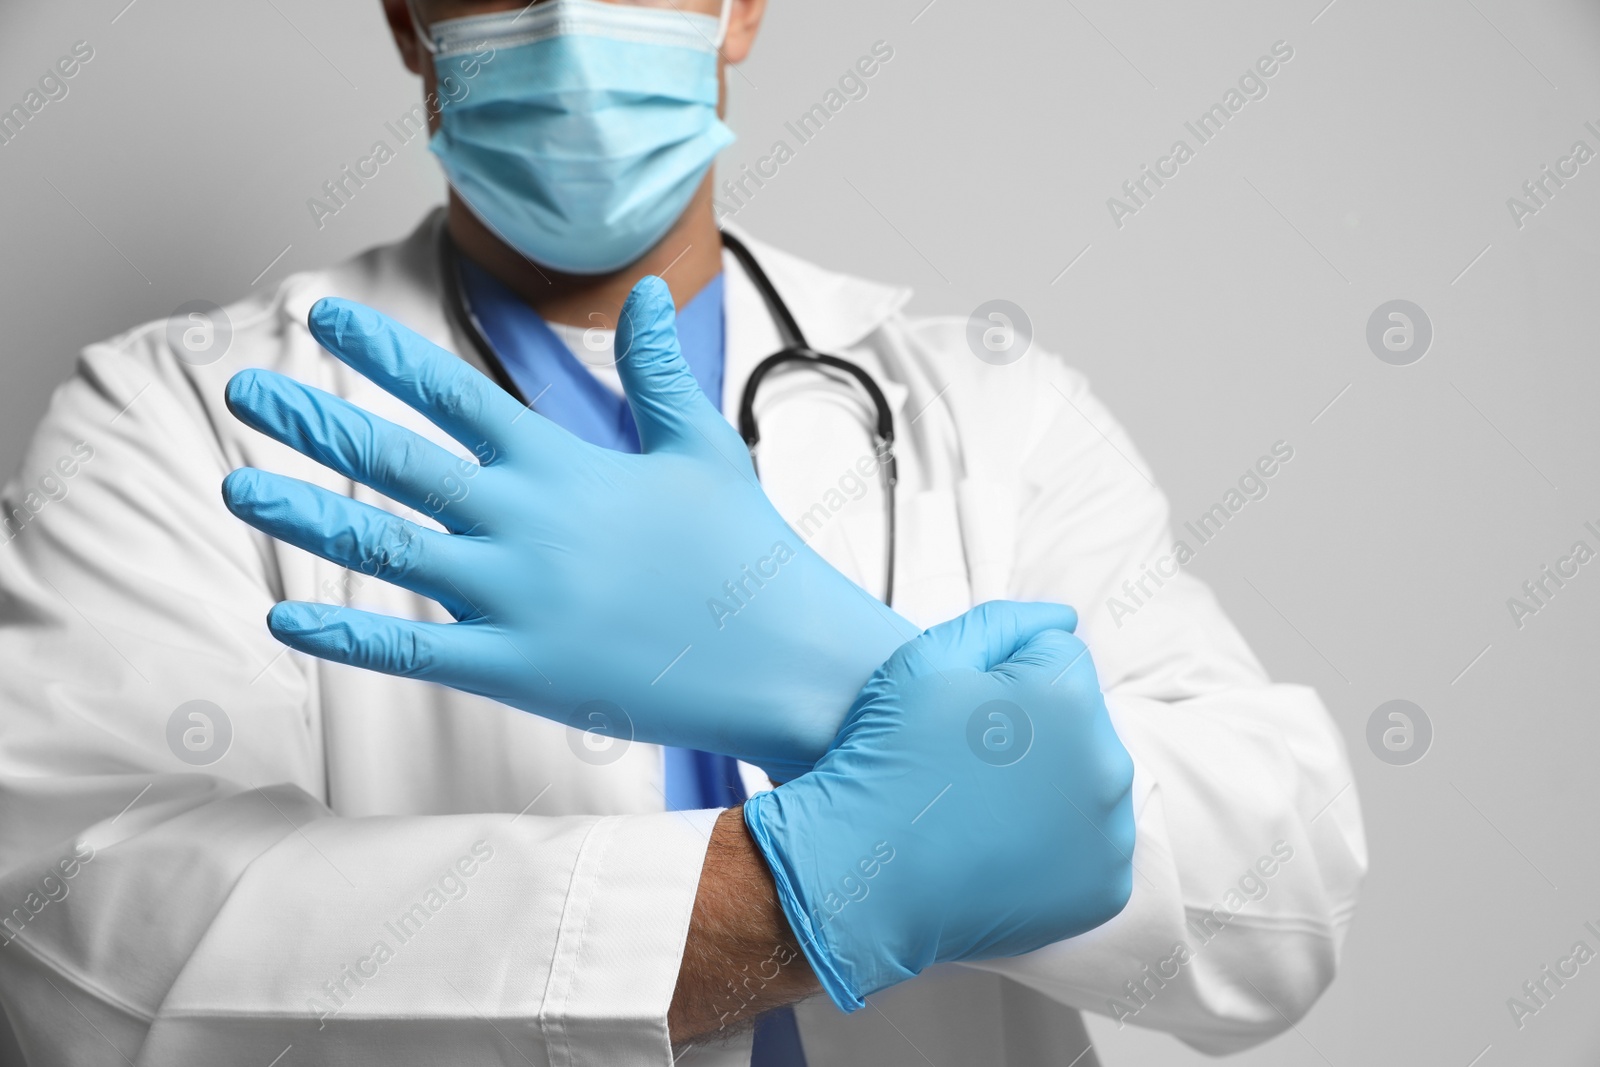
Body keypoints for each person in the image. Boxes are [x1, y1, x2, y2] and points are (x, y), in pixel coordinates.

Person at [0, 0, 1366, 1064]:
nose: (572, 22)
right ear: (409, 16)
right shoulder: (182, 415)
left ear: (742, 4)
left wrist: (843, 674)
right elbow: (94, 948)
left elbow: (1280, 889)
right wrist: (820, 881)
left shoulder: (985, 406)